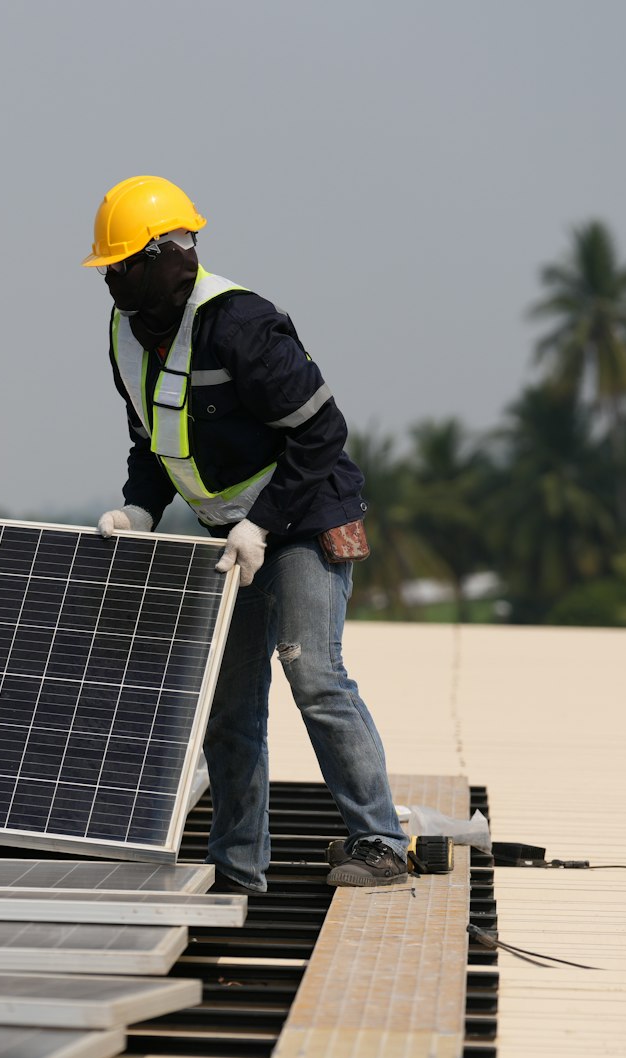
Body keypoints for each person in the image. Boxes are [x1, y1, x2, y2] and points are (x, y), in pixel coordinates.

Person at [83, 177, 407, 891]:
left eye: (125, 263)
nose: (112, 279)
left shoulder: (241, 325)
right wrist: (141, 509)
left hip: (307, 514)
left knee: (312, 671)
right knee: (227, 701)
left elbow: (322, 433)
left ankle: (380, 841)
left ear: (174, 255)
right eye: (107, 267)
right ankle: (238, 866)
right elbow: (153, 443)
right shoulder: (124, 336)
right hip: (231, 532)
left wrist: (264, 524)